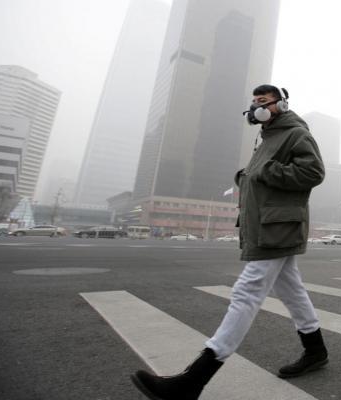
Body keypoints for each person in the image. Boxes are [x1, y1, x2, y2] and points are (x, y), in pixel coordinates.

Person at [131, 85, 328, 400]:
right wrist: (246, 176)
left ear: (281, 104)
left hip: (277, 227)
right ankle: (316, 350)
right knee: (291, 291)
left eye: (263, 102)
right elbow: (266, 175)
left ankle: (193, 381)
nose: (256, 107)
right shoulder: (267, 137)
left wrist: (265, 170)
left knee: (246, 293)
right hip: (268, 224)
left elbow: (314, 172)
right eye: (254, 102)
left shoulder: (294, 133)